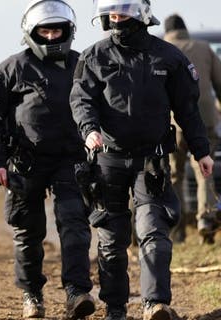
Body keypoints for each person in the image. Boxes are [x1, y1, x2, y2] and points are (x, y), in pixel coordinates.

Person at [70, 1, 214, 319]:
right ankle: (116, 307)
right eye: (112, 11)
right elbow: (82, 99)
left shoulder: (169, 56)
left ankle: (155, 303)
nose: (116, 16)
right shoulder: (94, 56)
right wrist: (89, 130)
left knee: (154, 234)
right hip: (108, 162)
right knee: (111, 239)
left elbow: (188, 110)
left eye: (123, 10)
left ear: (141, 13)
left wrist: (200, 150)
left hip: (152, 163)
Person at [0, 1, 94, 318]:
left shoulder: (83, 64)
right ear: (32, 33)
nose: (52, 35)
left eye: (57, 29)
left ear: (68, 31)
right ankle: (32, 294)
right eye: (45, 30)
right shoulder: (10, 69)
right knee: (28, 233)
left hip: (72, 159)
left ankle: (77, 293)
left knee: (74, 226)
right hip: (25, 162)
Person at [164, 14, 221, 244]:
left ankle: (176, 230)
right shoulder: (204, 48)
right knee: (204, 170)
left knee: (174, 173)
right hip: (204, 117)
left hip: (171, 122)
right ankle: (205, 219)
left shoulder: (161, 49)